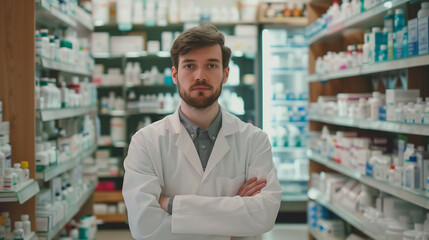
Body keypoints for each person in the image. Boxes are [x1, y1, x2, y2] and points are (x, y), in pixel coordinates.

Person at [122, 24, 281, 240]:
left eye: (211, 65)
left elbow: (264, 216)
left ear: (225, 74)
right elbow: (144, 226)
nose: (200, 76)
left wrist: (171, 204)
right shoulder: (146, 142)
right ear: (175, 74)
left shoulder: (254, 140)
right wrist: (233, 218)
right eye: (189, 66)